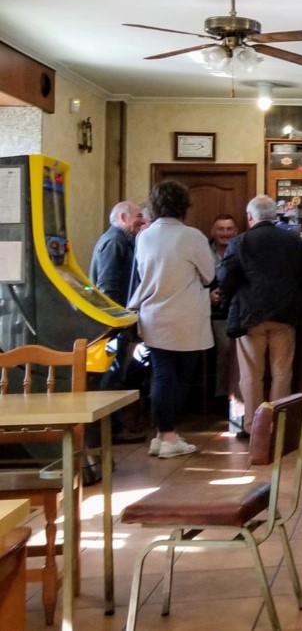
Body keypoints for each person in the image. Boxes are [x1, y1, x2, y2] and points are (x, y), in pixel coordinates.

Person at [129, 180, 215, 459]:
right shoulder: (192, 236)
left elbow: (142, 272)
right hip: (186, 315)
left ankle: (161, 434)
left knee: (161, 374)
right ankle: (168, 435)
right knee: (181, 378)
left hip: (152, 314)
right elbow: (209, 275)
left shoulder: (144, 236)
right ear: (184, 205)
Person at [219, 195, 302, 439]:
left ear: (249, 217)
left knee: (251, 374)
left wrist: (229, 298)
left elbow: (226, 277)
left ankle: (254, 426)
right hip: (285, 313)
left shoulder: (240, 241)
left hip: (250, 315)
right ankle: (277, 426)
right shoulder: (292, 240)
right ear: (274, 215)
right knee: (282, 372)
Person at [89, 200, 148, 441]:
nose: (142, 220)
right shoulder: (115, 242)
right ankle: (110, 430)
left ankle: (113, 428)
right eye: (138, 216)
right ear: (123, 217)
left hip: (117, 323)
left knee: (116, 376)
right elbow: (108, 286)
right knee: (111, 377)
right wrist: (116, 323)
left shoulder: (121, 240)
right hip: (113, 325)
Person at [208, 214, 240, 404]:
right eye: (221, 229)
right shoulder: (202, 251)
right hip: (211, 314)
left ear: (236, 231)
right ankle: (222, 397)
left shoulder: (241, 249)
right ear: (213, 232)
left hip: (237, 310)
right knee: (227, 347)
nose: (225, 233)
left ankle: (235, 396)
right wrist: (207, 296)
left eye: (229, 229)